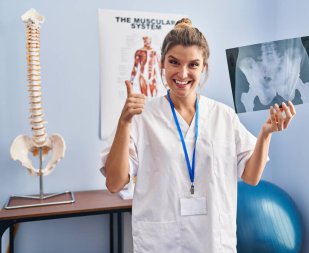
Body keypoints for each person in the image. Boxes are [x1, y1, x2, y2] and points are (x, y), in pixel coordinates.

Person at [103, 18, 296, 253]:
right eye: (174, 62)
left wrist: (266, 133)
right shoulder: (142, 117)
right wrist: (124, 122)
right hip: (163, 243)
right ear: (162, 63)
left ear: (203, 67)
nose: (182, 73)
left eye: (193, 64)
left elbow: (251, 177)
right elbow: (114, 183)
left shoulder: (224, 116)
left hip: (213, 242)